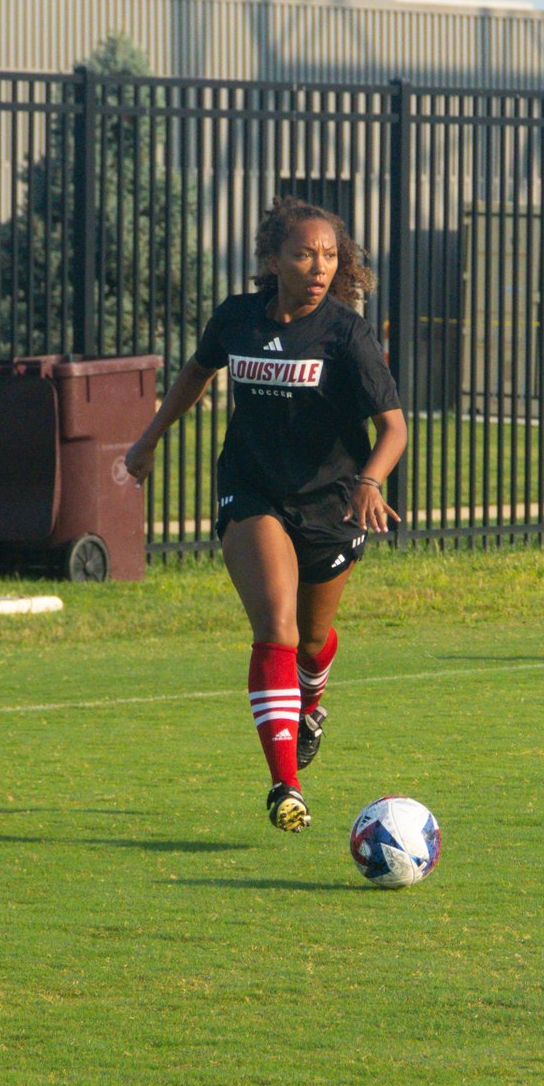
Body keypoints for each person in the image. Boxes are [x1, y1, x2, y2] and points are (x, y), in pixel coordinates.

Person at [124, 196, 407, 833]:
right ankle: (285, 784)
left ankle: (311, 700)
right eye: (305, 253)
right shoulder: (238, 320)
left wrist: (370, 480)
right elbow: (195, 375)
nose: (320, 267)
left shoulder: (346, 333)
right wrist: (149, 441)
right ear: (273, 258)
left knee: (311, 641)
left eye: (331, 255)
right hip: (252, 490)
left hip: (332, 501)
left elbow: (393, 428)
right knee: (275, 628)